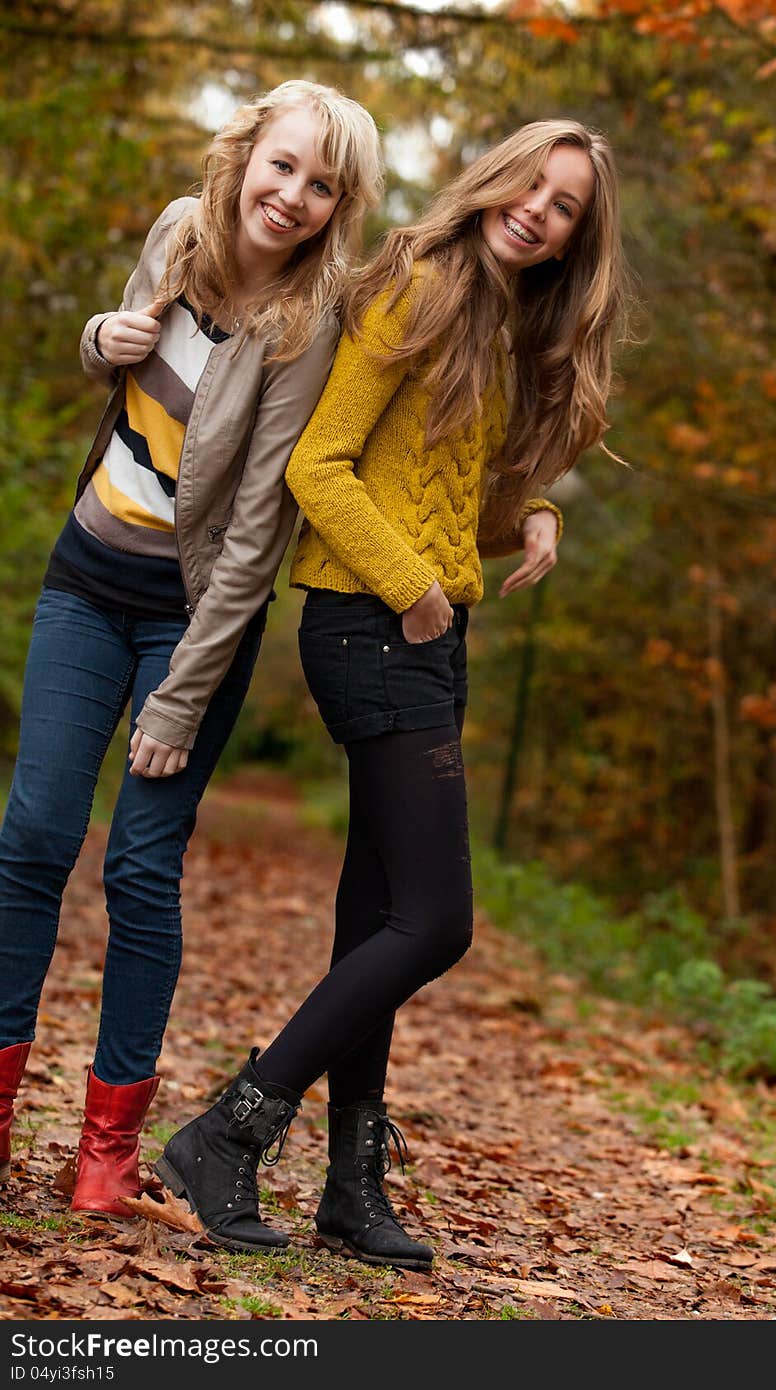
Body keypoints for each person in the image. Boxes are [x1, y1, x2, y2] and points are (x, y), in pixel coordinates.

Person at [155, 117, 628, 1265]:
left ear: (575, 237)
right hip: (374, 626)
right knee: (436, 921)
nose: (538, 210)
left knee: (377, 914)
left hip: (420, 628)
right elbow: (321, 464)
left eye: (564, 205)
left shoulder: (497, 313)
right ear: (495, 180)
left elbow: (437, 484)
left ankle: (350, 1191)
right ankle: (229, 1129)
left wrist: (535, 513)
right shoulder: (419, 280)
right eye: (531, 184)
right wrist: (415, 586)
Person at [0, 80, 383, 1220]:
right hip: (84, 577)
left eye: (323, 186)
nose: (295, 195)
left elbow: (257, 525)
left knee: (139, 870)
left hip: (193, 616)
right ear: (246, 151)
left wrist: (183, 694)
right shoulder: (177, 230)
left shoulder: (307, 326)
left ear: (337, 206)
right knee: (32, 839)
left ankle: (107, 1156)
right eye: (284, 166)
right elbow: (125, 367)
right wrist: (96, 337)